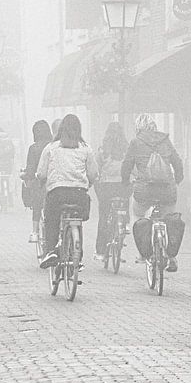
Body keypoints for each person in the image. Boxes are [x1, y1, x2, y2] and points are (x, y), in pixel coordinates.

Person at [121, 113, 184, 272]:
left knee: (137, 215)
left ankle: (144, 252)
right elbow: (177, 162)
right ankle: (171, 256)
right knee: (169, 218)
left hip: (144, 191)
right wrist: (177, 179)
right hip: (167, 190)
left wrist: (125, 181)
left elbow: (127, 165)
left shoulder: (136, 142)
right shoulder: (165, 140)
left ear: (138, 128)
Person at [36, 114, 98, 269]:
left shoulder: (51, 148)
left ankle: (51, 250)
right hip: (79, 195)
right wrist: (87, 183)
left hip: (57, 194)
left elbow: (42, 173)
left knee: (51, 221)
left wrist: (41, 179)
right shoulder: (86, 148)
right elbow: (93, 174)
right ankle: (77, 256)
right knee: (76, 221)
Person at [93, 122, 132, 262]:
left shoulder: (103, 151)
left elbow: (95, 171)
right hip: (123, 186)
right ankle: (124, 224)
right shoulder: (127, 151)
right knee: (123, 205)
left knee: (104, 216)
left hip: (106, 188)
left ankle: (101, 252)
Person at [22, 120, 53, 242]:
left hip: (40, 184)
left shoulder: (33, 148)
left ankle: (35, 231)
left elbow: (30, 169)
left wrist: (25, 176)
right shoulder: (54, 146)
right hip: (53, 183)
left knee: (37, 205)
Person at [0, 127, 17, 197]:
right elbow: (13, 152)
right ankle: (10, 197)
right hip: (8, 163)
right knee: (8, 177)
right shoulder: (9, 140)